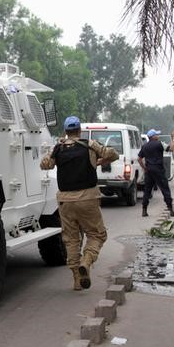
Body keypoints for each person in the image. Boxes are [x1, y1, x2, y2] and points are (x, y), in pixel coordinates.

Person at [40, 116, 119, 291]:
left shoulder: (58, 148)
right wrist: (99, 160)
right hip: (88, 199)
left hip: (65, 202)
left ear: (65, 131)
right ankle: (87, 261)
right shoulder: (89, 145)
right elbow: (113, 154)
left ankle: (76, 279)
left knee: (71, 240)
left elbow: (44, 165)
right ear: (79, 130)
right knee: (97, 235)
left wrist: (54, 149)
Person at [138, 128, 174, 218]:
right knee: (165, 189)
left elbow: (139, 159)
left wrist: (144, 168)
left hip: (149, 171)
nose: (158, 136)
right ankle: (171, 209)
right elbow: (171, 149)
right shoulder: (160, 144)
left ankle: (144, 210)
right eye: (157, 134)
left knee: (147, 190)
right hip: (159, 170)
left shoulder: (144, 146)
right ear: (153, 137)